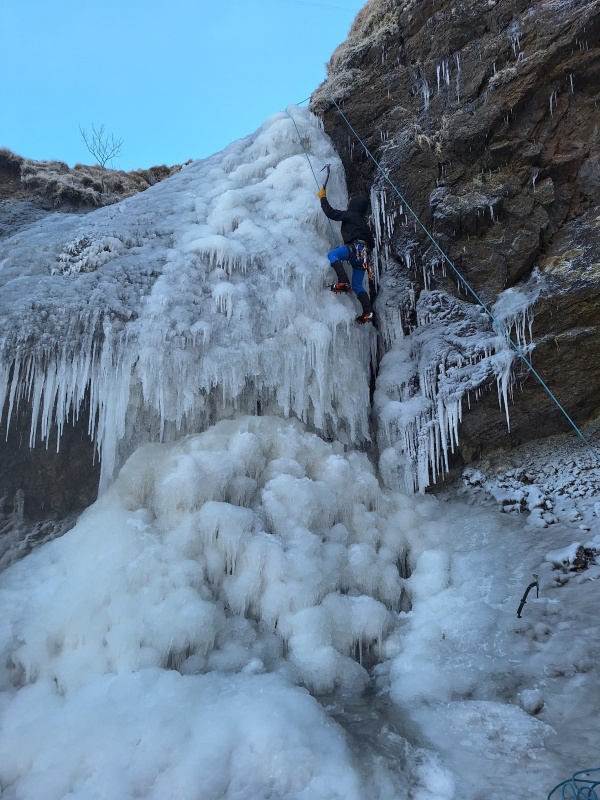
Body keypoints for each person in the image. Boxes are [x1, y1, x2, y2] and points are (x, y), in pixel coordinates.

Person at [318, 187, 375, 324]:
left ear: (354, 205)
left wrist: (322, 198)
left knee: (333, 255)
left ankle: (343, 281)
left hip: (355, 249)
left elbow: (331, 213)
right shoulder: (364, 224)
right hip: (364, 256)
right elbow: (372, 244)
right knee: (357, 285)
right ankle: (368, 312)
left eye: (350, 203)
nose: (347, 204)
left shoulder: (351, 215)